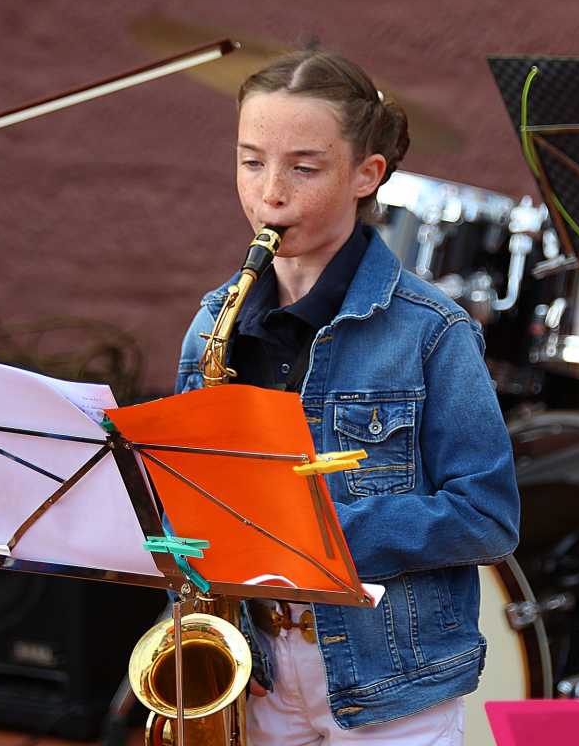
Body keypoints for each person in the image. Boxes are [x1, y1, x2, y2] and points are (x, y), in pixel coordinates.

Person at [176, 50, 520, 744]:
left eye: (304, 168)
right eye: (251, 162)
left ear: (368, 174)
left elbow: (487, 516)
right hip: (255, 672)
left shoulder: (433, 331)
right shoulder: (215, 325)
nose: (270, 194)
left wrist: (322, 534)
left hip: (391, 685)